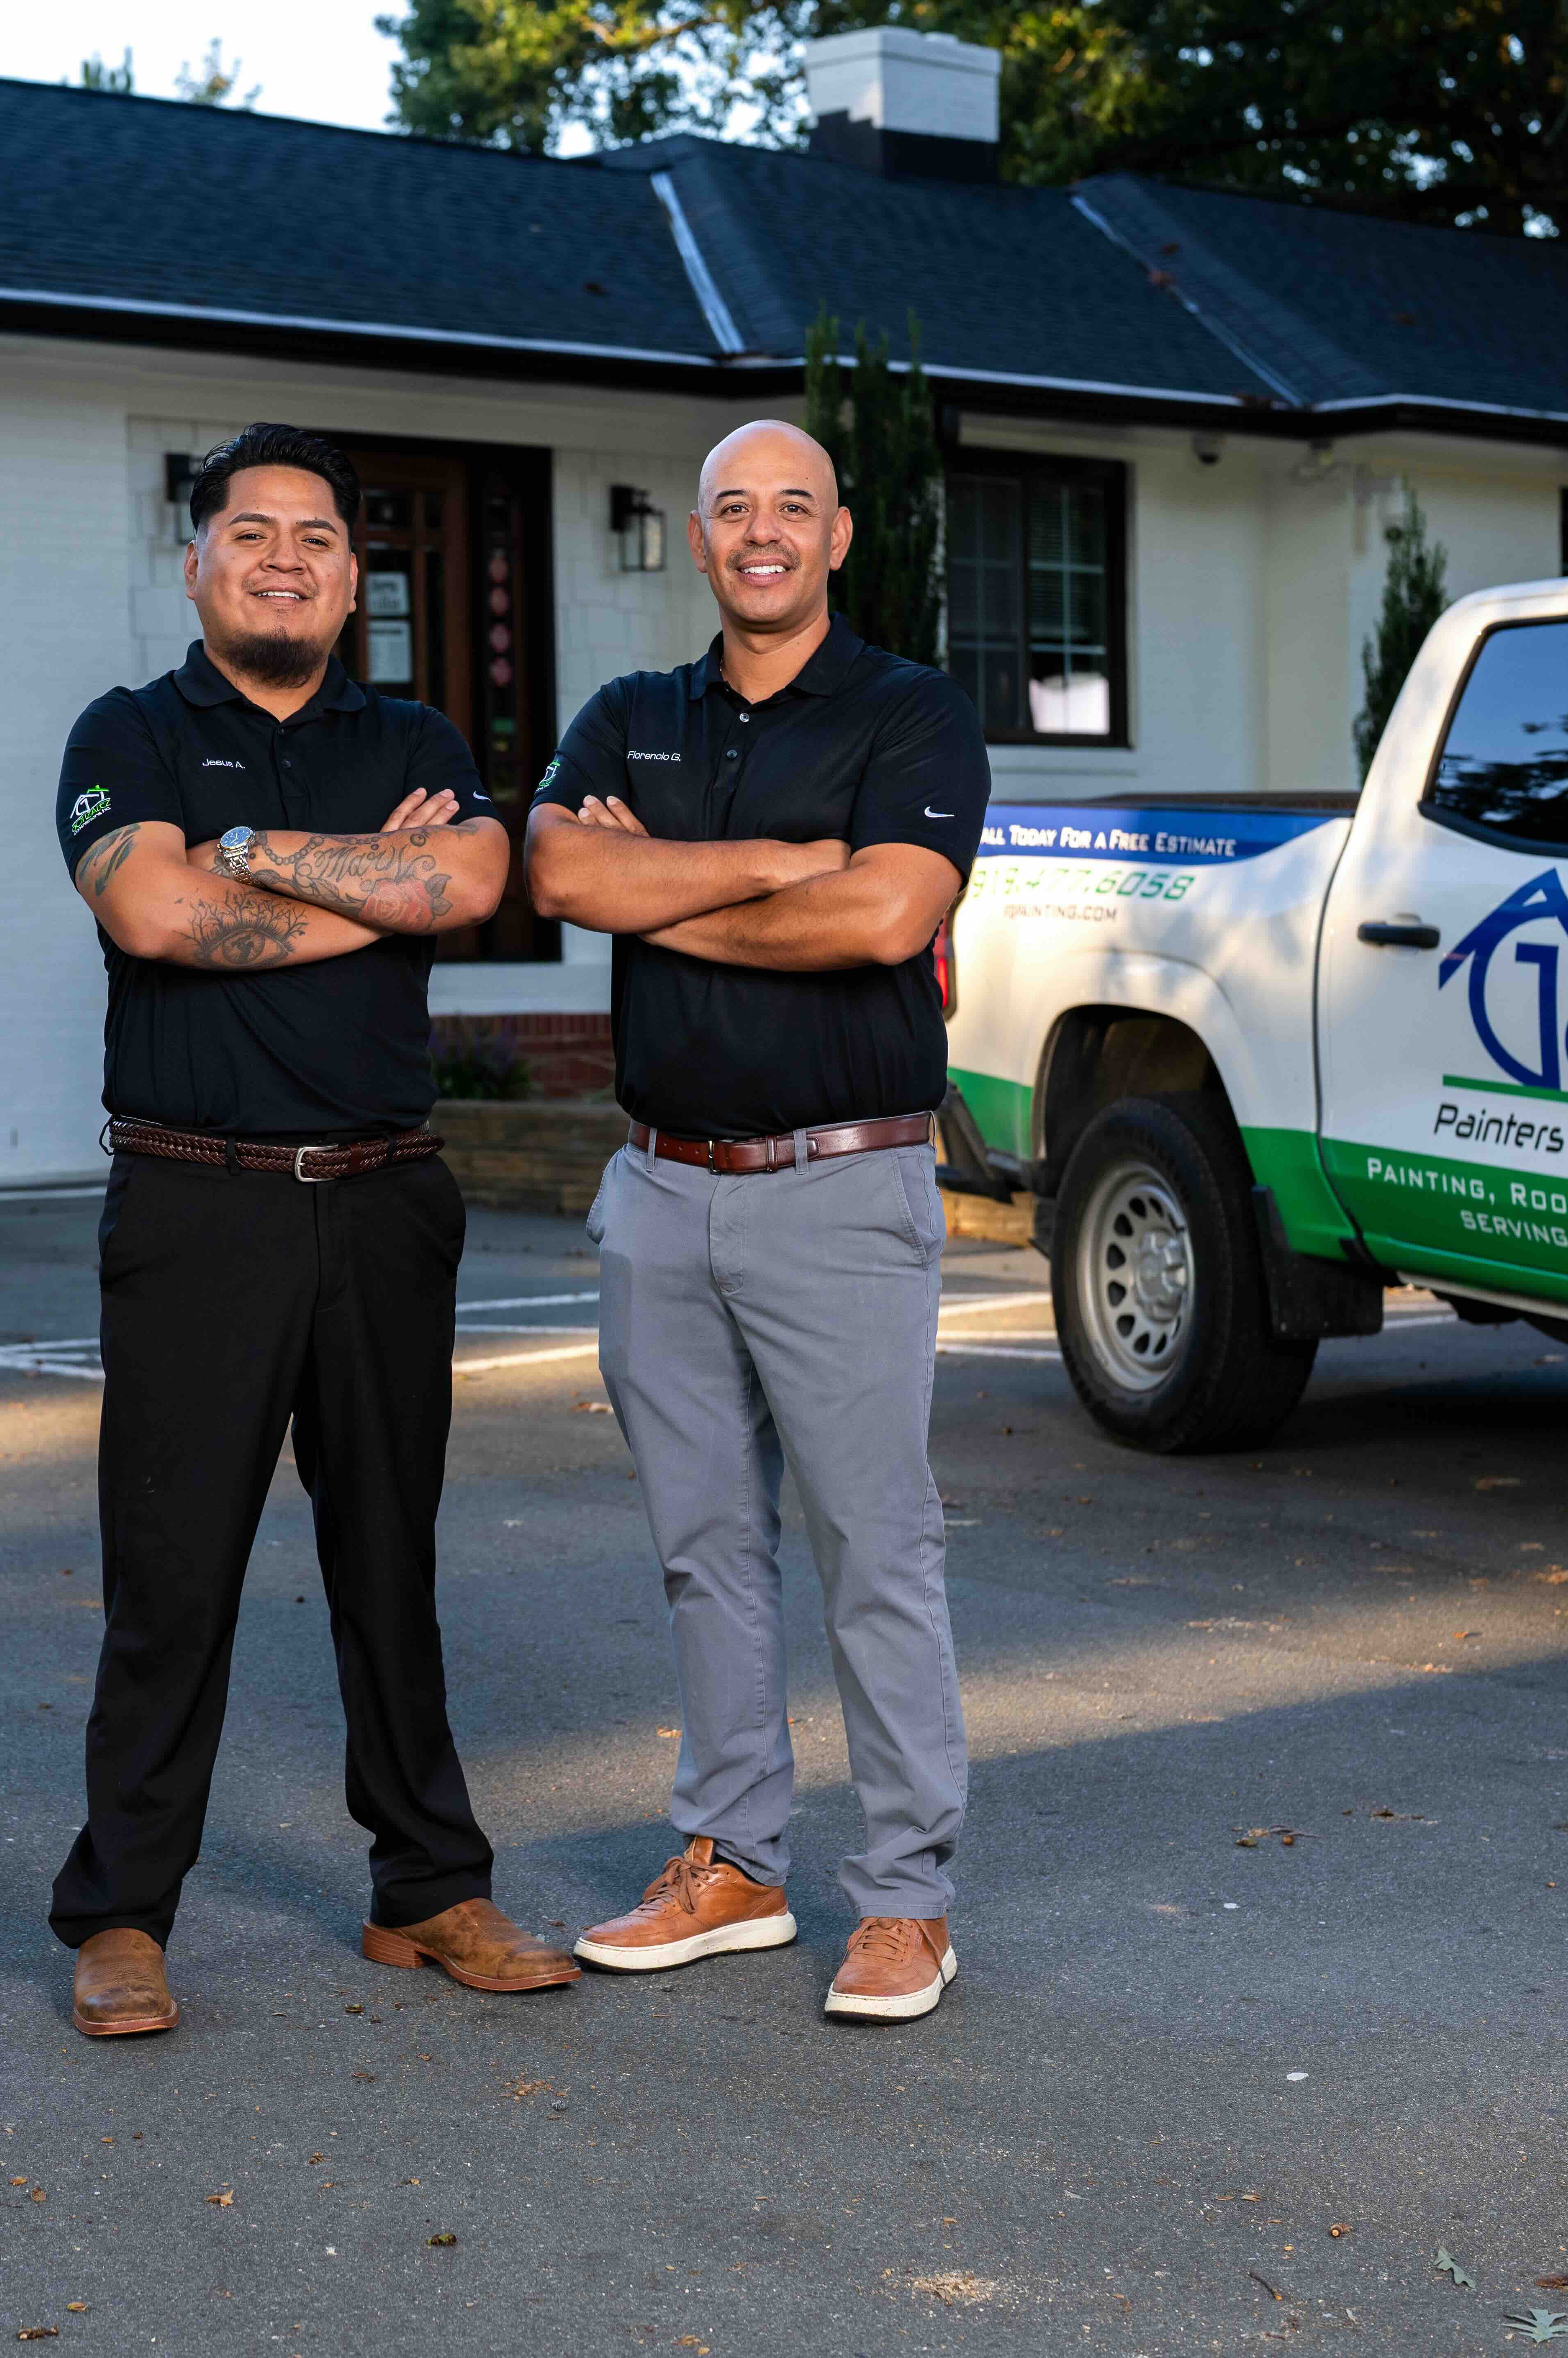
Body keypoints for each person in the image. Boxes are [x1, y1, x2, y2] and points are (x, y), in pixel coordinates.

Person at [47, 422, 579, 2038]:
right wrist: (370, 880)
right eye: (256, 532)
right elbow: (146, 909)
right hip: (196, 1198)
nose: (289, 558)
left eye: (322, 540)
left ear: (356, 577)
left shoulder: (411, 727)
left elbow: (474, 890)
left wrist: (257, 859)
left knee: (388, 1564)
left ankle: (428, 1887)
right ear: (198, 559)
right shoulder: (128, 730)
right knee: (174, 1573)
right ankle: (123, 1914)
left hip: (386, 1198)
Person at [524, 418, 988, 2023]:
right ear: (705, 540)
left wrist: (685, 888)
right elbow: (561, 875)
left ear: (839, 536)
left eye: (794, 506)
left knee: (877, 1546)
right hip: (659, 1188)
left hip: (840, 1187)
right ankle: (731, 1860)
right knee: (703, 1548)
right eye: (736, 510)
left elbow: (890, 912)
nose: (765, 533)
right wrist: (778, 873)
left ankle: (908, 1899)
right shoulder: (632, 716)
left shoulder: (910, 713)